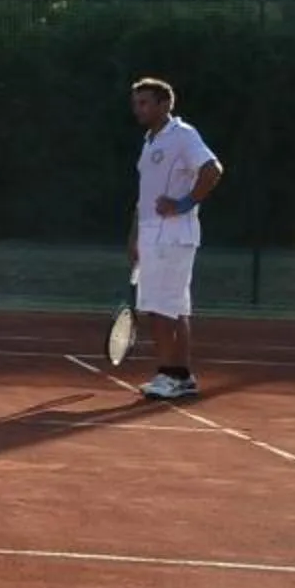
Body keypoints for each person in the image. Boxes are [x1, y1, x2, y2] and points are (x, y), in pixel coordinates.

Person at [128, 76, 223, 400]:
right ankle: (181, 375)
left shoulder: (182, 135)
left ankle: (168, 375)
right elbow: (144, 196)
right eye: (136, 102)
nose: (138, 109)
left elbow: (212, 170)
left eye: (144, 102)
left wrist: (182, 204)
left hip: (172, 236)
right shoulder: (149, 141)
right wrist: (135, 236)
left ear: (165, 104)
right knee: (176, 307)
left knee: (160, 308)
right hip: (154, 234)